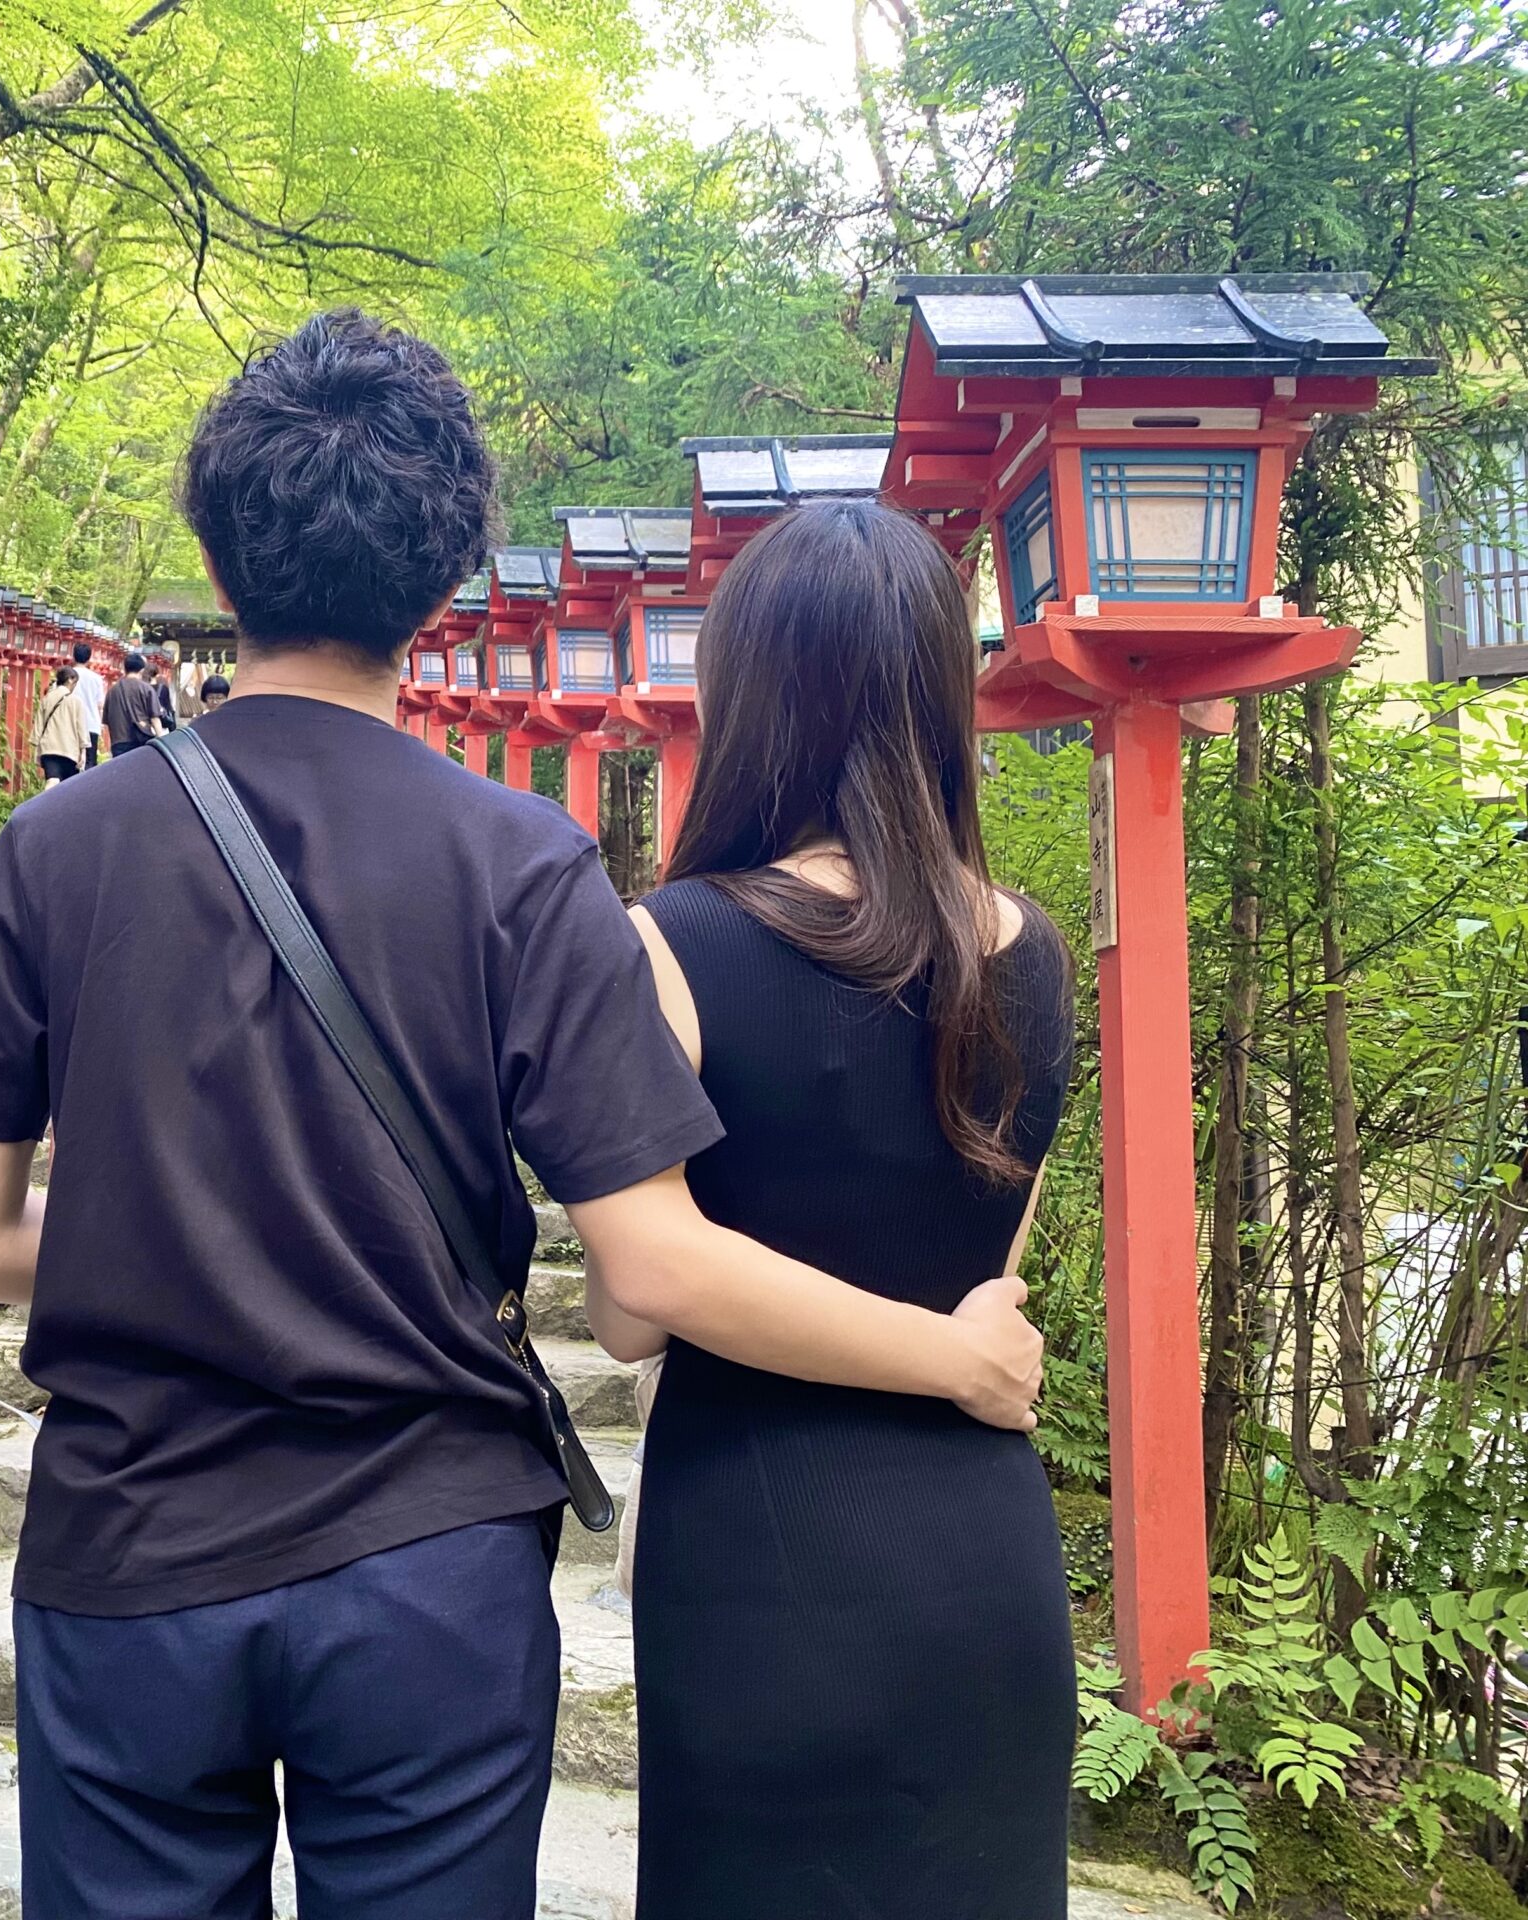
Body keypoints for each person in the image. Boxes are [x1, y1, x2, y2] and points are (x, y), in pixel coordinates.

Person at [0, 309, 1042, 1920]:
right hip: (430, 1560)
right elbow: (643, 1251)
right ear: (442, 593)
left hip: (131, 1546)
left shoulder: (58, 846)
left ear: (222, 569)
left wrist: (159, 1239)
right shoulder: (522, 861)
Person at [599, 498, 1076, 1920]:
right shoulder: (1032, 950)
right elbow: (990, 1282)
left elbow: (636, 1304)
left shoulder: (664, 942)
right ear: (944, 690)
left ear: (745, 689)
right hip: (982, 1549)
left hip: (760, 1550)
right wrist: (950, 1358)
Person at [101, 649, 161, 755]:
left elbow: (107, 720)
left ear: (124, 668)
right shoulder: (146, 689)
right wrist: (161, 741)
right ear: (142, 670)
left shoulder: (113, 690)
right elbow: (155, 718)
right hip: (141, 741)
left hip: (119, 742)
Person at [32, 665, 84, 786]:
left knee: (52, 780)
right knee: (69, 785)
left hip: (48, 748)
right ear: (70, 680)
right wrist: (83, 751)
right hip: (69, 750)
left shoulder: (47, 699)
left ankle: (47, 803)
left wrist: (37, 750)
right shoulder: (76, 701)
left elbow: (38, 725)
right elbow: (81, 728)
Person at [71, 639, 105, 769]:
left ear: (74, 656)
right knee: (90, 762)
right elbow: (100, 704)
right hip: (91, 723)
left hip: (72, 723)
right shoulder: (96, 678)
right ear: (89, 658)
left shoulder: (68, 675)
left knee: (72, 760)